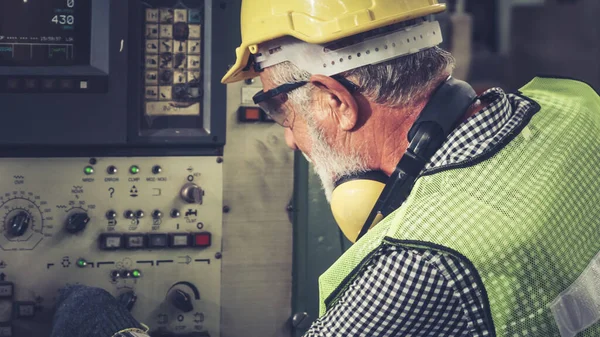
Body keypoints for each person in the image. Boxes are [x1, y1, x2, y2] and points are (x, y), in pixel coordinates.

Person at [52, 0, 600, 336]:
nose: (287, 139)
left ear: (336, 100)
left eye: (276, 109)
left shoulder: (418, 269)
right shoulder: (575, 105)